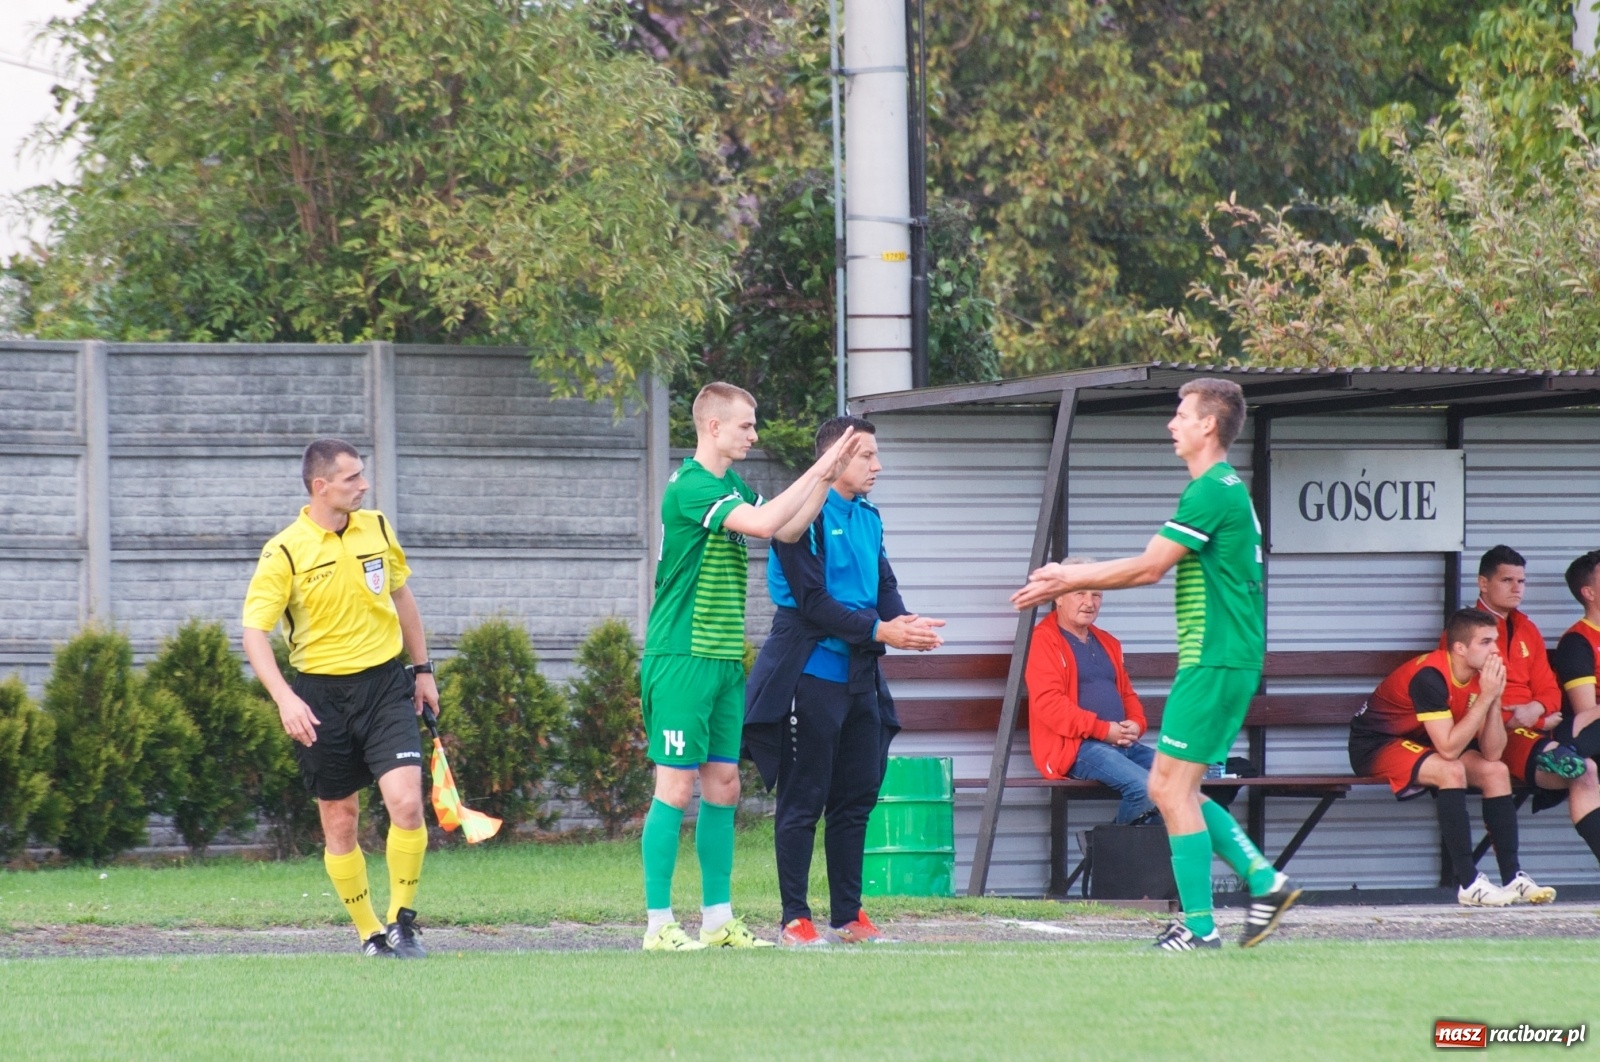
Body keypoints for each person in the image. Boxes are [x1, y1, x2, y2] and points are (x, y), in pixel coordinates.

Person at [1012, 378, 1298, 952]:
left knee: (1169, 790)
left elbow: (1148, 568)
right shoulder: (1220, 490)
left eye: (1182, 414)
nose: (1172, 424)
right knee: (1175, 788)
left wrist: (1070, 576)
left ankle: (1202, 926)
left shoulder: (1212, 492)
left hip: (1215, 660)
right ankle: (1263, 885)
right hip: (1222, 659)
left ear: (1208, 426)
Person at [638, 382, 863, 951]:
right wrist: (823, 468)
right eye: (746, 425)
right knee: (675, 786)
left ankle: (717, 920)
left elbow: (786, 528)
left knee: (725, 784)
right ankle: (658, 923)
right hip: (682, 657)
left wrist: (826, 477)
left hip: (722, 659)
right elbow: (765, 527)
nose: (754, 434)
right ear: (713, 427)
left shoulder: (730, 484)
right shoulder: (692, 487)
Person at [745, 417, 945, 947]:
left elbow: (884, 583)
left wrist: (907, 624)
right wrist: (884, 630)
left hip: (861, 676)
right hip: (808, 674)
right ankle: (795, 918)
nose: (877, 466)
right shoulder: (800, 517)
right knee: (803, 800)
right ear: (835, 459)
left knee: (856, 798)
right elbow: (812, 604)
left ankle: (848, 917)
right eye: (866, 457)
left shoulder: (869, 516)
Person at [241, 439, 436, 958]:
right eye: (352, 478)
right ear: (320, 487)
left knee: (407, 804)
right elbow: (254, 634)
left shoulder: (377, 527)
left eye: (362, 475)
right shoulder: (283, 551)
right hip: (319, 696)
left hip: (385, 686)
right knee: (341, 818)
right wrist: (285, 699)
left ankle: (403, 922)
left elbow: (401, 596)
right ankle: (369, 932)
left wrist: (422, 670)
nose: (364, 485)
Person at [1349, 609, 1551, 906]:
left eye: (1495, 641)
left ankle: (1513, 877)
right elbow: (1448, 750)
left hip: (1427, 741)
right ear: (1459, 648)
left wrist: (1494, 699)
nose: (1495, 649)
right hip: (1377, 744)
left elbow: (1494, 752)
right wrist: (1485, 698)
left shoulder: (1481, 676)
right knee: (1451, 769)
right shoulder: (1430, 676)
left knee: (1495, 771)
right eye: (1485, 642)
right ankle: (1468, 883)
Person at [1441, 545, 1583, 793]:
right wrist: (1536, 720)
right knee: (1576, 771)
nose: (1517, 588)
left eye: (1521, 581)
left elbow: (1550, 691)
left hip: (1532, 730)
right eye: (1507, 580)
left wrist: (1535, 710)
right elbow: (1459, 699)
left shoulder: (1528, 628)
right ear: (1483, 583)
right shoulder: (1464, 632)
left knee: (1585, 771)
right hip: (1492, 738)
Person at [1024, 559, 1153, 826]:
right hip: (1076, 748)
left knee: (1184, 780)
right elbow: (1049, 705)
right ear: (1058, 596)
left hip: (1123, 743)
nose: (1089, 602)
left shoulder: (1108, 641)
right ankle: (1109, 858)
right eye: (1080, 592)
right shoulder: (1043, 640)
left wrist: (1136, 725)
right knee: (1146, 789)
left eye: (1096, 594)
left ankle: (1142, 858)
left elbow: (1127, 694)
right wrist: (1103, 730)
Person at [1517, 550, 1600, 875]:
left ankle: (1570, 751)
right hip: (1589, 732)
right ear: (1588, 593)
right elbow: (1585, 710)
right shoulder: (1578, 642)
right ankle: (1570, 751)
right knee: (1586, 767)